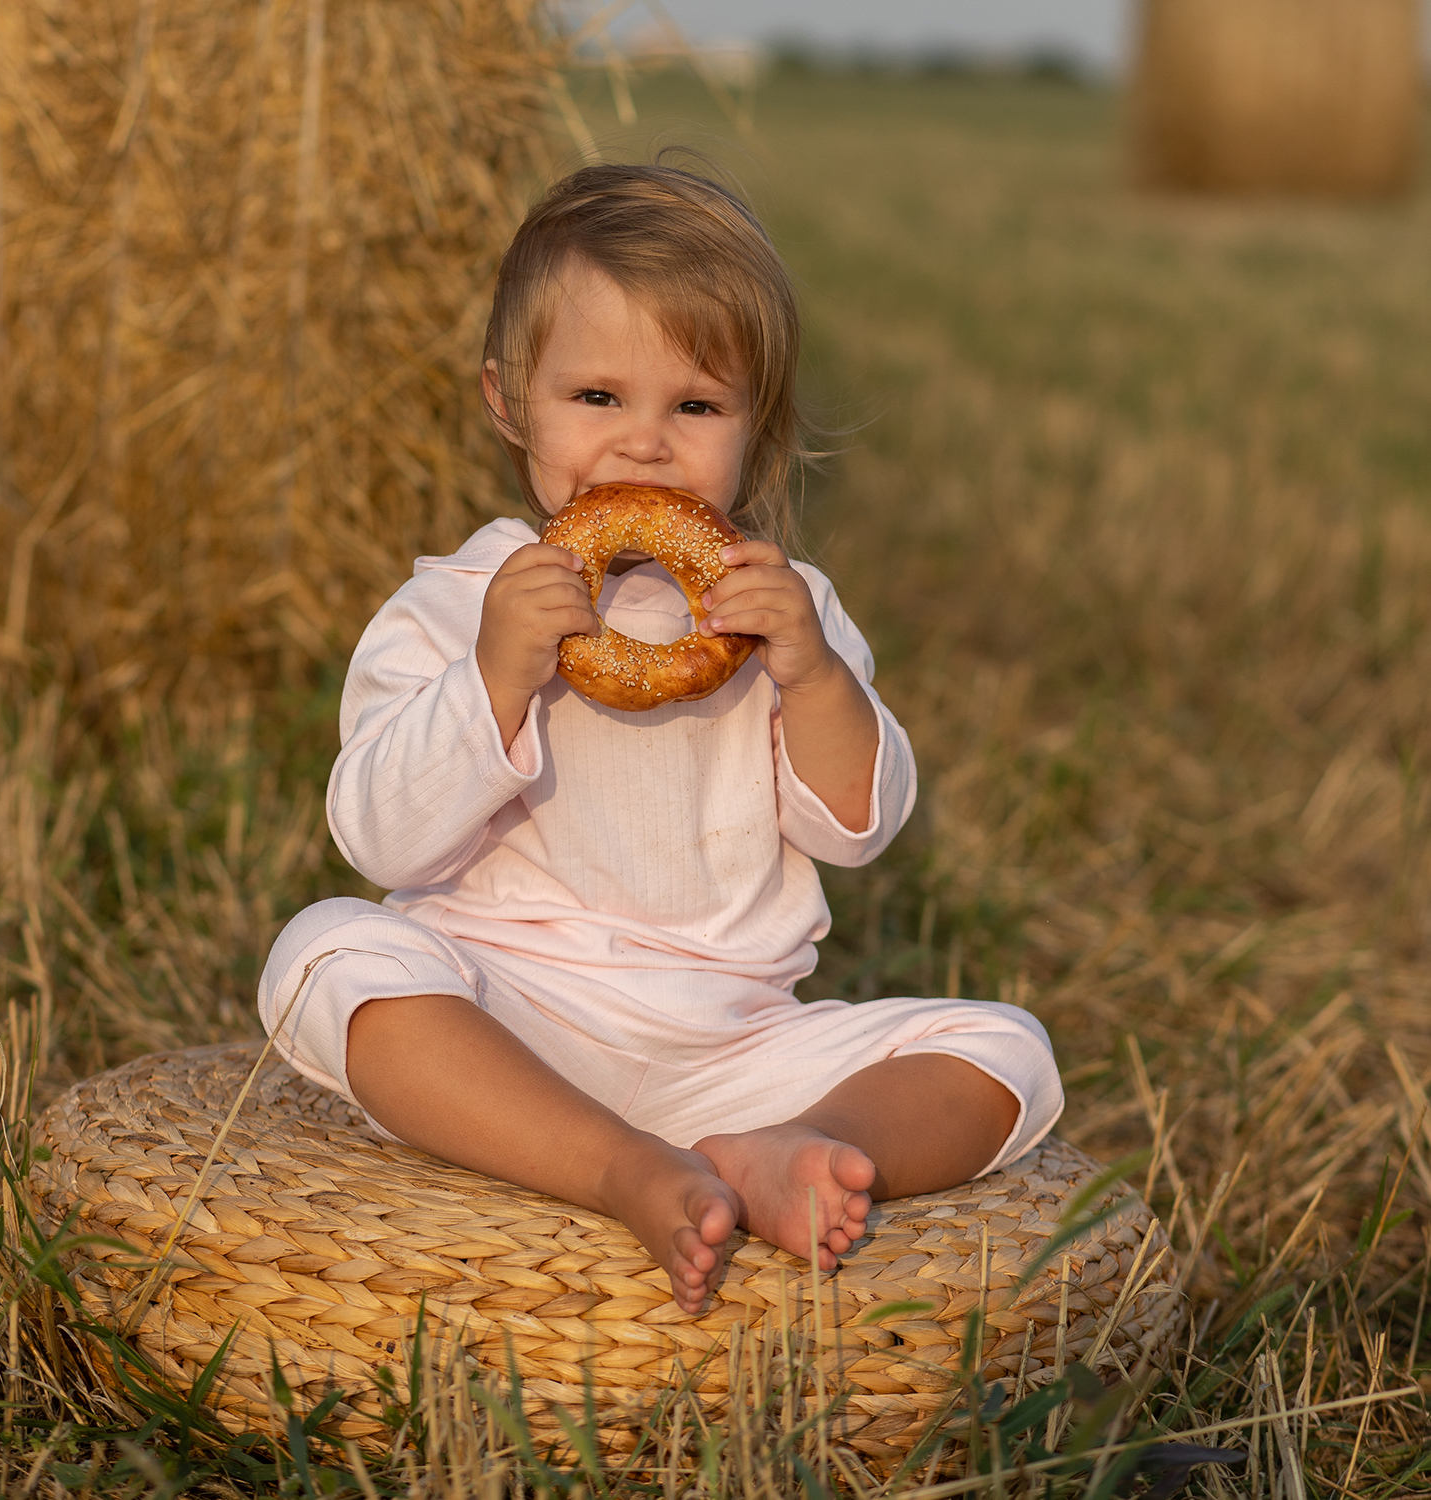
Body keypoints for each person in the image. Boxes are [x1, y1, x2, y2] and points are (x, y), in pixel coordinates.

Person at [259, 162, 1063, 1313]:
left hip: (732, 1047)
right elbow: (377, 840)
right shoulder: (456, 603)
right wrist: (493, 677)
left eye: (694, 406)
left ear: (753, 426)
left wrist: (815, 675)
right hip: (507, 1021)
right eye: (596, 399)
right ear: (507, 401)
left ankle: (791, 1147)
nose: (643, 445)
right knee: (327, 959)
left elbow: (857, 831)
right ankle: (615, 1166)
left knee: (1009, 1052)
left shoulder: (783, 606)